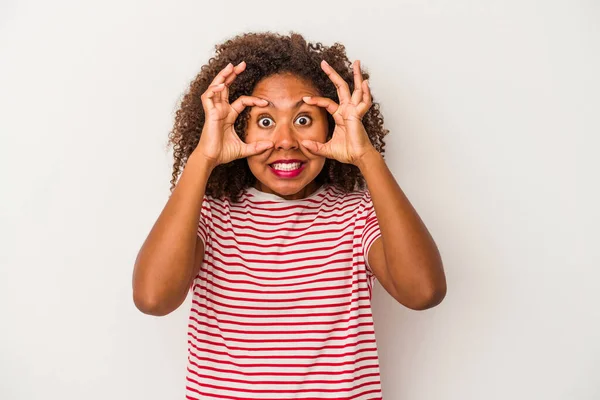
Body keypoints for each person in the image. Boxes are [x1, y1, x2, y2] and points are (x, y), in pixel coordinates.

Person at [132, 31, 447, 399]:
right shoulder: (208, 217)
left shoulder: (358, 215)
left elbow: (424, 292)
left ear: (332, 126)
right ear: (237, 128)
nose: (286, 140)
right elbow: (153, 298)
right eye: (265, 121)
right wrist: (203, 157)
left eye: (303, 119)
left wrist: (366, 157)